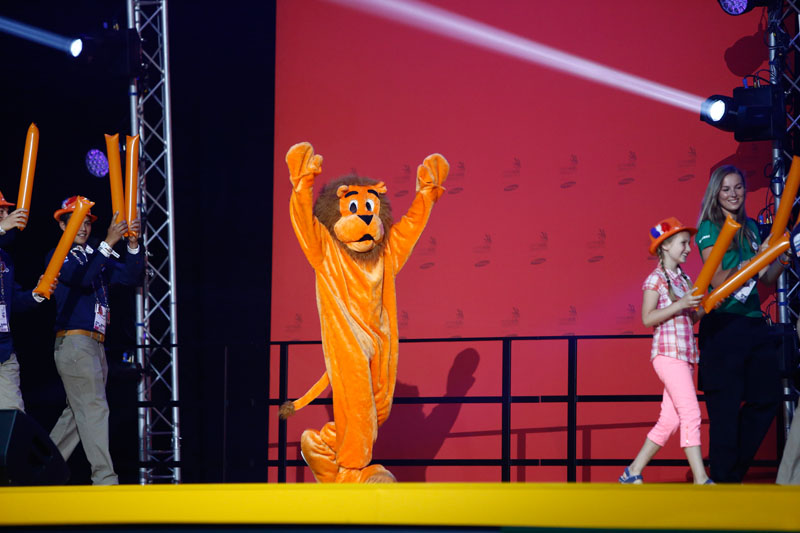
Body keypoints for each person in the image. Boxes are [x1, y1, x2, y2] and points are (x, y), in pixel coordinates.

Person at [695, 165, 787, 483]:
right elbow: (716, 279)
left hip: (752, 324)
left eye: (738, 187)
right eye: (726, 189)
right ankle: (723, 481)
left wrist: (781, 259)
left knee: (767, 398)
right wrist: (748, 265)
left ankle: (730, 476)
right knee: (724, 410)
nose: (733, 194)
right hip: (722, 326)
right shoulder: (710, 227)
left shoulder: (751, 227)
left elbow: (767, 278)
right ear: (716, 193)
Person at [47, 196, 144, 485]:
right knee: (94, 408)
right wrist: (108, 242)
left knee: (77, 415)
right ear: (63, 225)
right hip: (75, 343)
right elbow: (83, 277)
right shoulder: (59, 254)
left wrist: (132, 244)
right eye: (77, 222)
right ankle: (105, 478)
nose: (83, 228)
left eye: (87, 223)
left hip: (95, 344)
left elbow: (130, 276)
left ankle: (36, 471)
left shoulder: (93, 253)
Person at [619, 217, 711, 484]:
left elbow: (689, 319)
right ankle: (701, 479)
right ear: (666, 245)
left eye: (688, 243)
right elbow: (647, 318)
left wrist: (708, 305)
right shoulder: (655, 279)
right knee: (691, 414)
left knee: (670, 421)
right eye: (683, 243)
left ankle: (632, 471)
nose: (689, 248)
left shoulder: (684, 279)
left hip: (685, 356)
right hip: (668, 356)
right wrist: (680, 303)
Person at [0, 190, 55, 412]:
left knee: (13, 415)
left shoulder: (5, 259)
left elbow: (13, 300)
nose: (6, 216)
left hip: (3, 351)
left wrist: (36, 294)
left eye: (6, 211)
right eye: (0, 212)